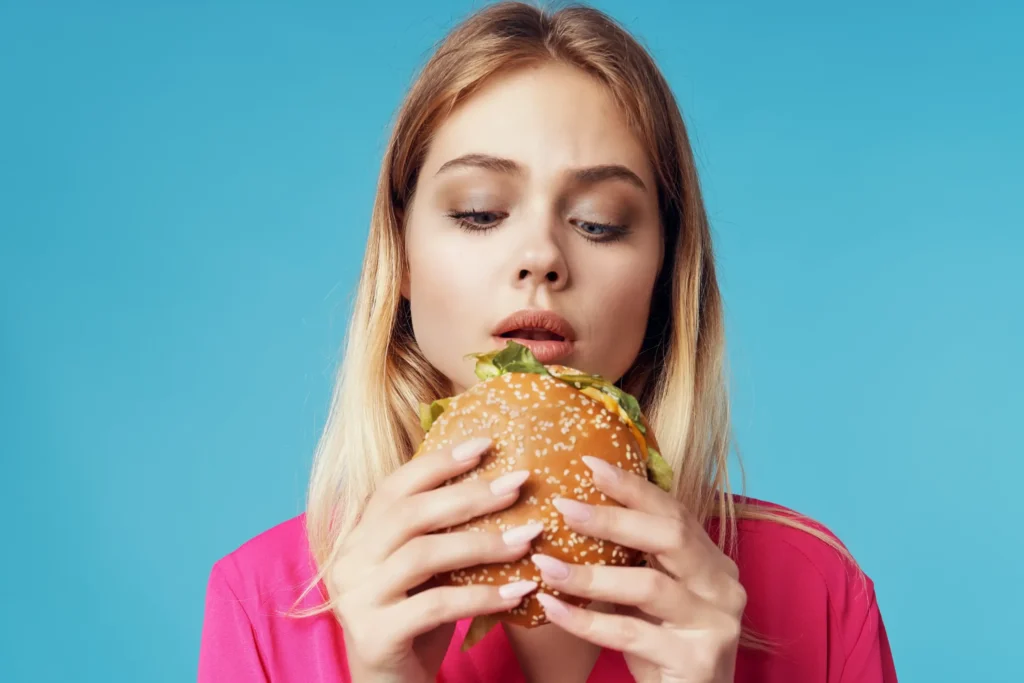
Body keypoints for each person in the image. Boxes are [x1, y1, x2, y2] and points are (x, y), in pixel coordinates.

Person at [197, 2, 898, 681]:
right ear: (402, 256)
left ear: (665, 271)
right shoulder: (265, 604)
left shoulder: (817, 593)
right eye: (479, 212)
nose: (541, 255)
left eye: (600, 221)